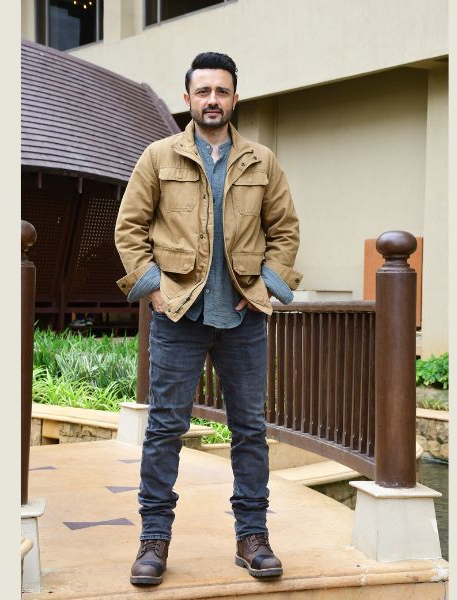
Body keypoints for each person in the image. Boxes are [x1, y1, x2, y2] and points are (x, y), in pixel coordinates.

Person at [114, 51, 302, 586]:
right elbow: (129, 229)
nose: (212, 100)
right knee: (164, 430)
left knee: (250, 431)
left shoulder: (262, 162)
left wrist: (266, 285)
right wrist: (154, 290)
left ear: (235, 98)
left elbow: (285, 231)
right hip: (178, 316)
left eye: (221, 91)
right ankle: (154, 540)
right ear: (188, 98)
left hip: (243, 319)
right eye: (203, 92)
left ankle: (252, 538)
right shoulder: (158, 157)